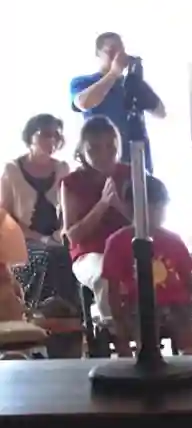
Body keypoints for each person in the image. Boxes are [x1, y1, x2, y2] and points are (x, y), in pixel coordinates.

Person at [100, 175, 192, 355]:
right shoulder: (117, 242)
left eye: (160, 208)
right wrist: (118, 319)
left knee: (186, 327)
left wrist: (187, 301)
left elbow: (187, 277)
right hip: (138, 305)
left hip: (175, 303)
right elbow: (112, 288)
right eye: (151, 208)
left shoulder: (173, 240)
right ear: (131, 208)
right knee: (142, 327)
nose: (156, 214)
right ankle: (144, 359)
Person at [1, 114, 76, 309]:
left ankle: (71, 316)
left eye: (56, 136)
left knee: (67, 256)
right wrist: (40, 239)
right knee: (47, 257)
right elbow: (6, 217)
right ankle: (40, 313)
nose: (52, 140)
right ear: (30, 137)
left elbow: (70, 210)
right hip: (23, 242)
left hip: (57, 238)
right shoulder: (12, 170)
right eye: (45, 135)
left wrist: (59, 235)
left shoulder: (62, 168)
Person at [60, 115, 132, 318]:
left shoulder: (130, 174)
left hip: (130, 249)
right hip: (90, 253)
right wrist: (102, 205)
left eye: (110, 147)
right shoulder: (71, 183)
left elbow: (148, 223)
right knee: (105, 275)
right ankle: (115, 330)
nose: (104, 155)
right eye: (94, 149)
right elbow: (72, 236)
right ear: (82, 151)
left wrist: (119, 205)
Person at [69, 32, 165, 173]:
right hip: (100, 162)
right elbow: (83, 103)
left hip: (137, 162)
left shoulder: (131, 83)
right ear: (98, 54)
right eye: (112, 51)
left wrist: (139, 85)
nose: (118, 56)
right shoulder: (83, 82)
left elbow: (161, 112)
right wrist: (113, 73)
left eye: (121, 51)